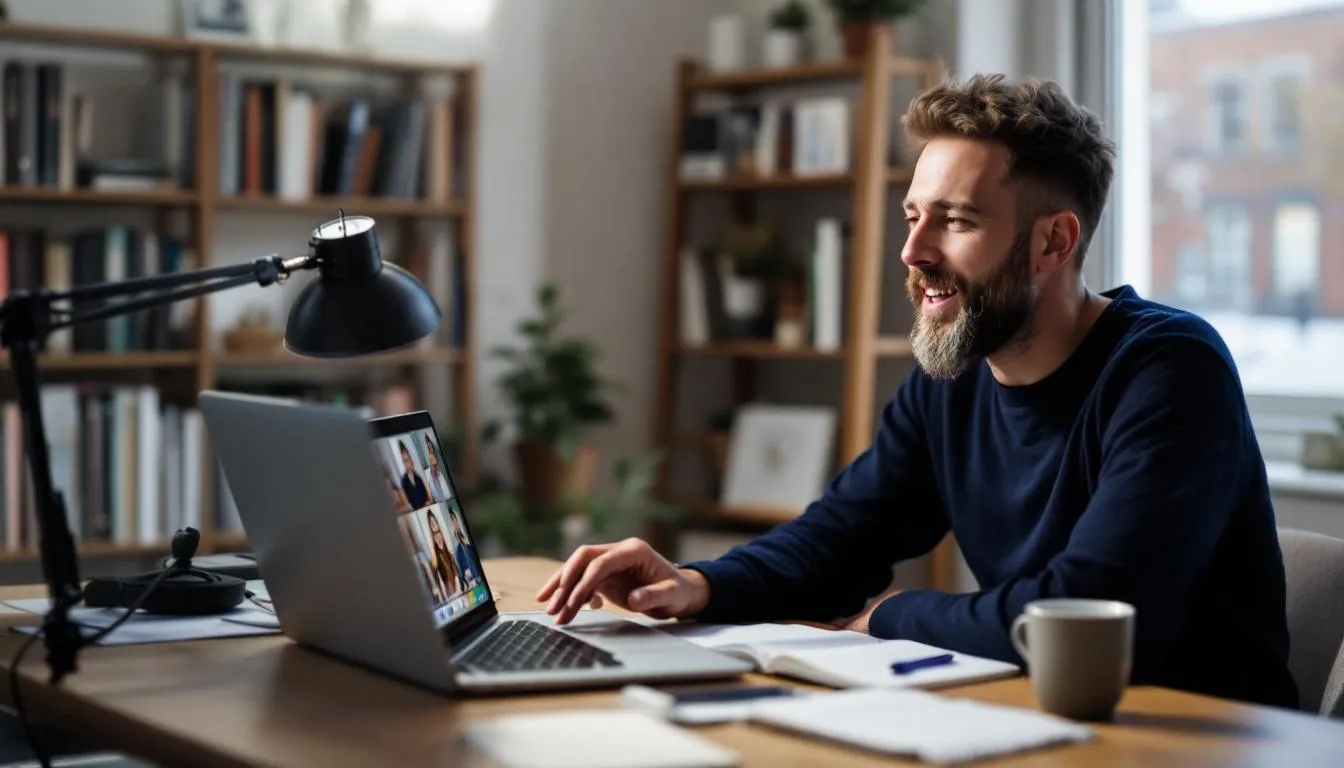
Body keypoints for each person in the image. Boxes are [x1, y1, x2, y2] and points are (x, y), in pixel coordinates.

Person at [535, 74, 1298, 710]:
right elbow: (838, 541)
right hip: (1046, 718)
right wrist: (697, 582)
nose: (912, 251)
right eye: (912, 216)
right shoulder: (957, 374)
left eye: (956, 221)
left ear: (1054, 242)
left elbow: (1088, 611)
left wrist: (893, 615)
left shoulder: (1169, 368)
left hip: (1201, 738)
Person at [426, 508, 466, 595]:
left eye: (435, 522)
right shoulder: (435, 552)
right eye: (432, 524)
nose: (434, 525)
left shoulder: (446, 539)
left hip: (455, 578)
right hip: (448, 584)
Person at [448, 504, 481, 587]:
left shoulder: (466, 534)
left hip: (478, 574)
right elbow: (457, 562)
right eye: (451, 520)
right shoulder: (454, 541)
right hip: (468, 580)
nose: (454, 522)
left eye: (454, 518)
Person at [397, 439, 430, 509]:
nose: (408, 463)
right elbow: (408, 505)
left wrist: (428, 503)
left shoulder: (419, 477)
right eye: (405, 461)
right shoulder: (404, 481)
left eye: (408, 459)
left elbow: (429, 497)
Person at [422, 434, 453, 502]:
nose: (430, 449)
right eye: (428, 446)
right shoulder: (427, 474)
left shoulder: (438, 464)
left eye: (430, 446)